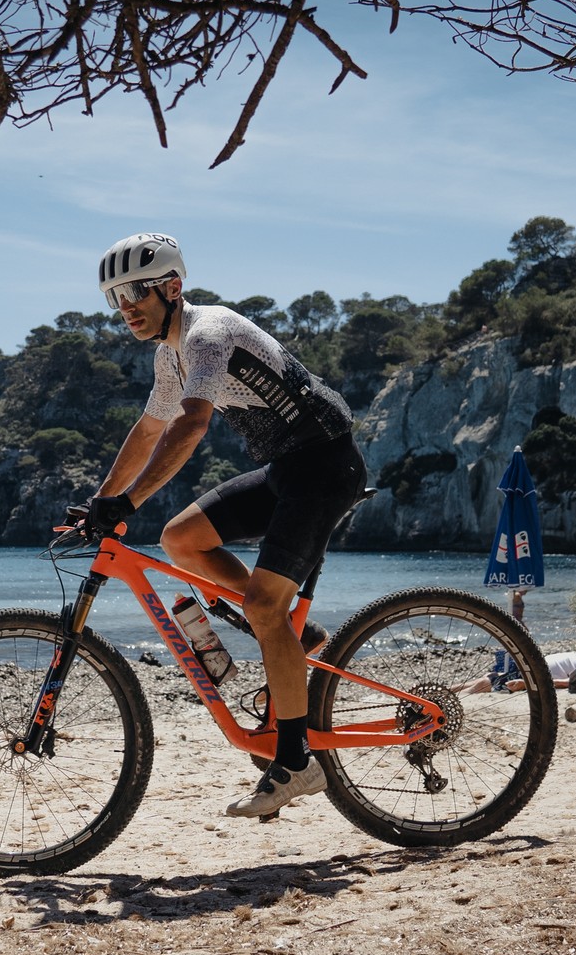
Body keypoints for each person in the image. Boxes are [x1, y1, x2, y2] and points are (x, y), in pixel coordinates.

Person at [76, 232, 367, 819]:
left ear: (172, 287)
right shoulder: (170, 353)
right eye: (116, 298)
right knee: (180, 539)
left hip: (327, 467)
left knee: (260, 606)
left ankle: (294, 763)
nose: (126, 307)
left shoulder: (207, 334)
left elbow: (189, 427)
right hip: (289, 469)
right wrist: (100, 500)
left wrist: (129, 501)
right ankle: (293, 635)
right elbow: (150, 428)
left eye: (135, 291)